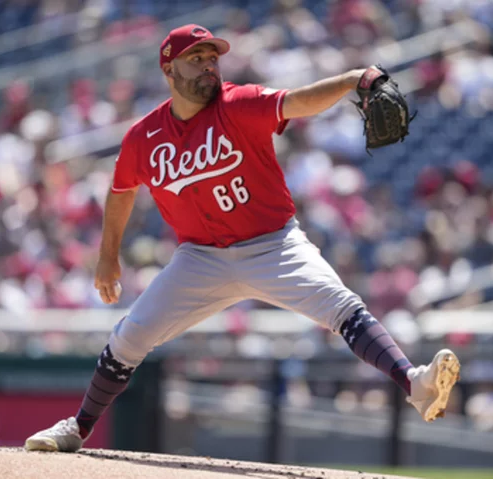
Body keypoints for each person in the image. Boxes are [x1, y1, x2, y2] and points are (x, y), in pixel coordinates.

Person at [24, 24, 461, 453]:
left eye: (213, 58)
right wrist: (107, 257)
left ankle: (415, 384)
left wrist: (351, 80)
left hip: (273, 245)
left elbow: (298, 102)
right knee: (129, 338)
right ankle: (77, 428)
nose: (208, 66)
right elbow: (121, 191)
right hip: (200, 258)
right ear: (168, 70)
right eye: (195, 59)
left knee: (343, 306)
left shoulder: (239, 102)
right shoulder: (145, 137)